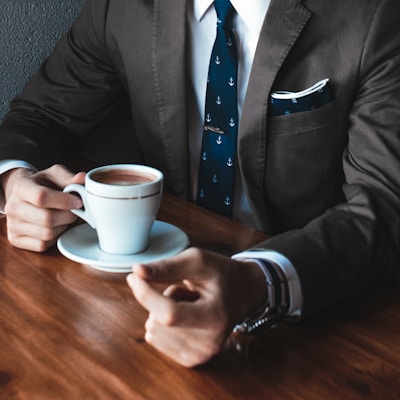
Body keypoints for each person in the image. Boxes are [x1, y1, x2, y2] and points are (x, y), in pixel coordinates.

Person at [0, 0, 400, 368]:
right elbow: (40, 114)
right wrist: (15, 180)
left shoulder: (377, 15)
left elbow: (384, 204)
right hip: (137, 301)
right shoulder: (120, 7)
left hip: (313, 325)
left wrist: (258, 280)